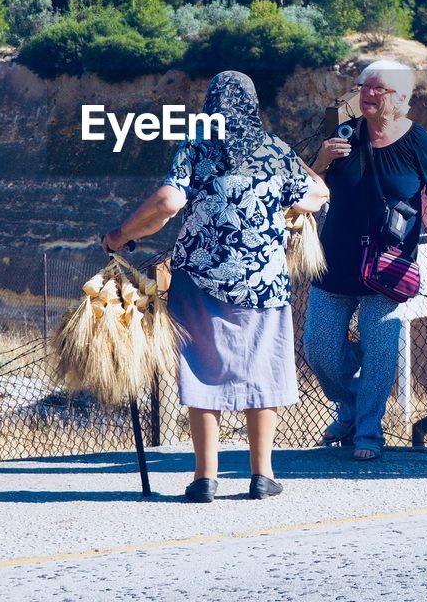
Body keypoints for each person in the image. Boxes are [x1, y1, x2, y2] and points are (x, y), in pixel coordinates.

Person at [102, 71, 328, 503]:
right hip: (262, 281)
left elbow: (168, 203)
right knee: (262, 369)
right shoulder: (274, 150)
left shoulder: (198, 143)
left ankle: (205, 477)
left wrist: (120, 236)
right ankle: (262, 476)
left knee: (203, 369)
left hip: (200, 278)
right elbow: (317, 193)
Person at [303, 59, 427, 462]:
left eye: (378, 88)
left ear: (402, 98)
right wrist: (323, 158)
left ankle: (368, 432)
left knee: (380, 353)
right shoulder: (344, 134)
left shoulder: (417, 141)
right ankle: (356, 407)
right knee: (319, 349)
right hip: (335, 258)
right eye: (364, 87)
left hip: (388, 265)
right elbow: (308, 185)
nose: (368, 94)